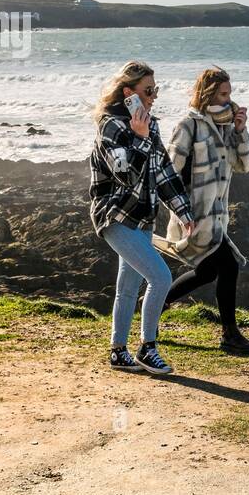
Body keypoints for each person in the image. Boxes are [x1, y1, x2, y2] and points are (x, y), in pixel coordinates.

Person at [88, 60, 195, 375]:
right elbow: (125, 175)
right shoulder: (111, 127)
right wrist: (138, 136)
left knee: (127, 287)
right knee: (160, 277)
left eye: (155, 90)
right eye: (148, 91)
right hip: (115, 216)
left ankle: (118, 352)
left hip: (143, 217)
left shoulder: (152, 125)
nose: (153, 97)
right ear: (128, 93)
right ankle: (148, 348)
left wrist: (183, 211)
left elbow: (162, 172)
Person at [156, 66, 249, 354]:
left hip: (217, 217)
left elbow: (246, 164)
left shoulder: (228, 126)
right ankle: (230, 334)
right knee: (228, 266)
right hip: (194, 217)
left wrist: (241, 131)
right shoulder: (188, 125)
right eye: (223, 94)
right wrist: (181, 214)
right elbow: (167, 174)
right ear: (207, 94)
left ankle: (153, 308)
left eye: (230, 94)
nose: (229, 100)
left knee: (206, 273)